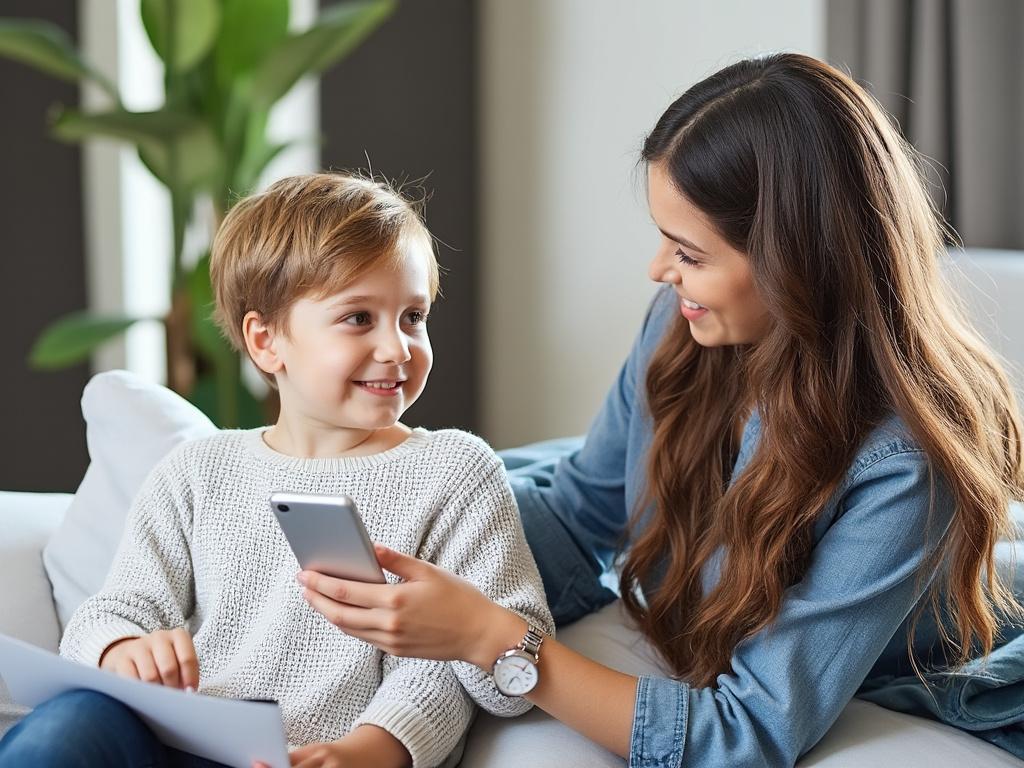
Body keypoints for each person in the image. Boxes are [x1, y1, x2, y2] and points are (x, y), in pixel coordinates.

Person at [293, 54, 1024, 766]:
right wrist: (409, 530)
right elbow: (586, 511)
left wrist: (497, 639)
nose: (659, 270)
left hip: (954, 629)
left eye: (689, 252)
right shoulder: (685, 324)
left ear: (796, 259)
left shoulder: (906, 465)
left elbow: (748, 733)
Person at [0, 173, 554, 768]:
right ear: (267, 342)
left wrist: (368, 752)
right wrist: (123, 651)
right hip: (179, 738)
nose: (397, 348)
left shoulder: (454, 472)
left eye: (413, 316)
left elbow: (486, 673)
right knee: (68, 727)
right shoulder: (196, 470)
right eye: (359, 318)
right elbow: (115, 609)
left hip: (326, 755)